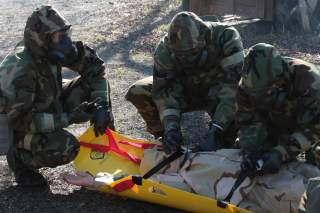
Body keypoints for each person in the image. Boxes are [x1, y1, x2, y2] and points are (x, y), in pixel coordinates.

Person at [0, 5, 114, 187]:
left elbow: (96, 72)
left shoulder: (53, 49)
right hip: (18, 127)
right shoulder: (20, 70)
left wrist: (102, 106)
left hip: (49, 101)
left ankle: (109, 150)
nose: (66, 42)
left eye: (66, 35)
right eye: (60, 37)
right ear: (42, 40)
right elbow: (20, 120)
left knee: (94, 88)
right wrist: (69, 118)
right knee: (65, 147)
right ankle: (20, 161)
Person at [126, 11, 244, 154]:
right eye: (181, 55)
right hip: (185, 93)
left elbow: (234, 86)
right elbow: (164, 92)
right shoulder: (164, 51)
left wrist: (218, 127)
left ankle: (225, 136)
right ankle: (168, 139)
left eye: (192, 53)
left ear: (204, 38)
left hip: (218, 94)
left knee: (229, 144)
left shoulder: (226, 37)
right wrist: (171, 127)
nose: (187, 59)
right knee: (139, 90)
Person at [236, 43, 320, 174]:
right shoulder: (248, 87)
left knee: (316, 155)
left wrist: (281, 152)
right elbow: (247, 120)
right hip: (279, 121)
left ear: (278, 82)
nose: (257, 99)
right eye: (254, 95)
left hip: (312, 123)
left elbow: (317, 128)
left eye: (264, 94)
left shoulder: (310, 81)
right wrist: (251, 151)